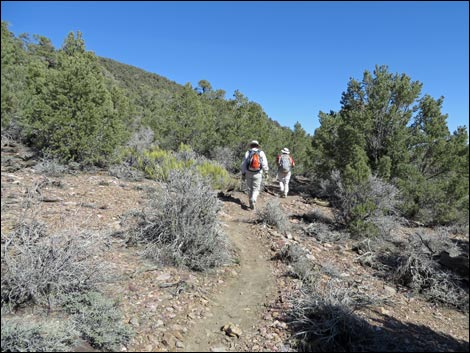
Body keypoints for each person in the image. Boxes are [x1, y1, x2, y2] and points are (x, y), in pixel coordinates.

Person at [241, 140, 269, 210]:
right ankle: (253, 199)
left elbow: (243, 164)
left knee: (249, 188)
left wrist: (243, 173)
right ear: (257, 146)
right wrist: (266, 172)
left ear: (251, 145)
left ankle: (251, 203)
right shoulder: (261, 153)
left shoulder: (248, 152)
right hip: (258, 173)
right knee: (256, 189)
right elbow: (264, 164)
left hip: (248, 172)